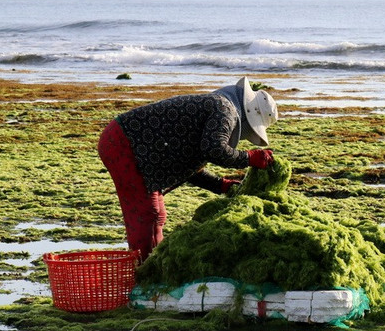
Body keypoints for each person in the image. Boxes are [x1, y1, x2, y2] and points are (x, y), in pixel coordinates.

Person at [97, 76, 278, 260]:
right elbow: (214, 149)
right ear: (249, 116)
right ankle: (143, 274)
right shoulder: (225, 109)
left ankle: (151, 267)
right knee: (146, 214)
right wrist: (249, 158)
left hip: (131, 147)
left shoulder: (221, 106)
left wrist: (220, 185)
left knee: (157, 215)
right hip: (124, 143)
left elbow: (188, 163)